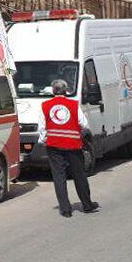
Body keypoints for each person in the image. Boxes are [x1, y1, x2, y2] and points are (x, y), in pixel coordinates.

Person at [38, 78, 100, 218]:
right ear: (65, 90)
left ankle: (65, 209)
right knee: (79, 174)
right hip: (73, 144)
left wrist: (43, 141)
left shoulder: (45, 105)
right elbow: (84, 124)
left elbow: (42, 128)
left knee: (59, 176)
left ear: (53, 91)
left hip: (54, 145)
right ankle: (87, 204)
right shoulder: (72, 104)